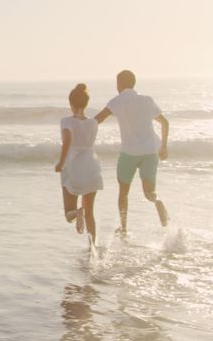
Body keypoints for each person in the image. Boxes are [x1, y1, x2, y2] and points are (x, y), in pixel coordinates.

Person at [94, 70, 169, 236]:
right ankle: (157, 201)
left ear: (119, 84)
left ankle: (124, 228)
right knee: (149, 192)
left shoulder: (117, 101)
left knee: (123, 192)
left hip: (129, 154)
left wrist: (80, 130)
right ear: (133, 83)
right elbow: (165, 122)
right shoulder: (147, 100)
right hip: (150, 152)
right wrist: (163, 146)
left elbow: (97, 120)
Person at [54, 83, 103, 248]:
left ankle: (77, 212)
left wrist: (61, 162)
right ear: (86, 104)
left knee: (69, 214)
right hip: (91, 165)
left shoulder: (66, 121)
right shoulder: (94, 123)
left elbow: (67, 140)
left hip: (73, 166)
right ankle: (92, 248)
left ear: (71, 104)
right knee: (91, 213)